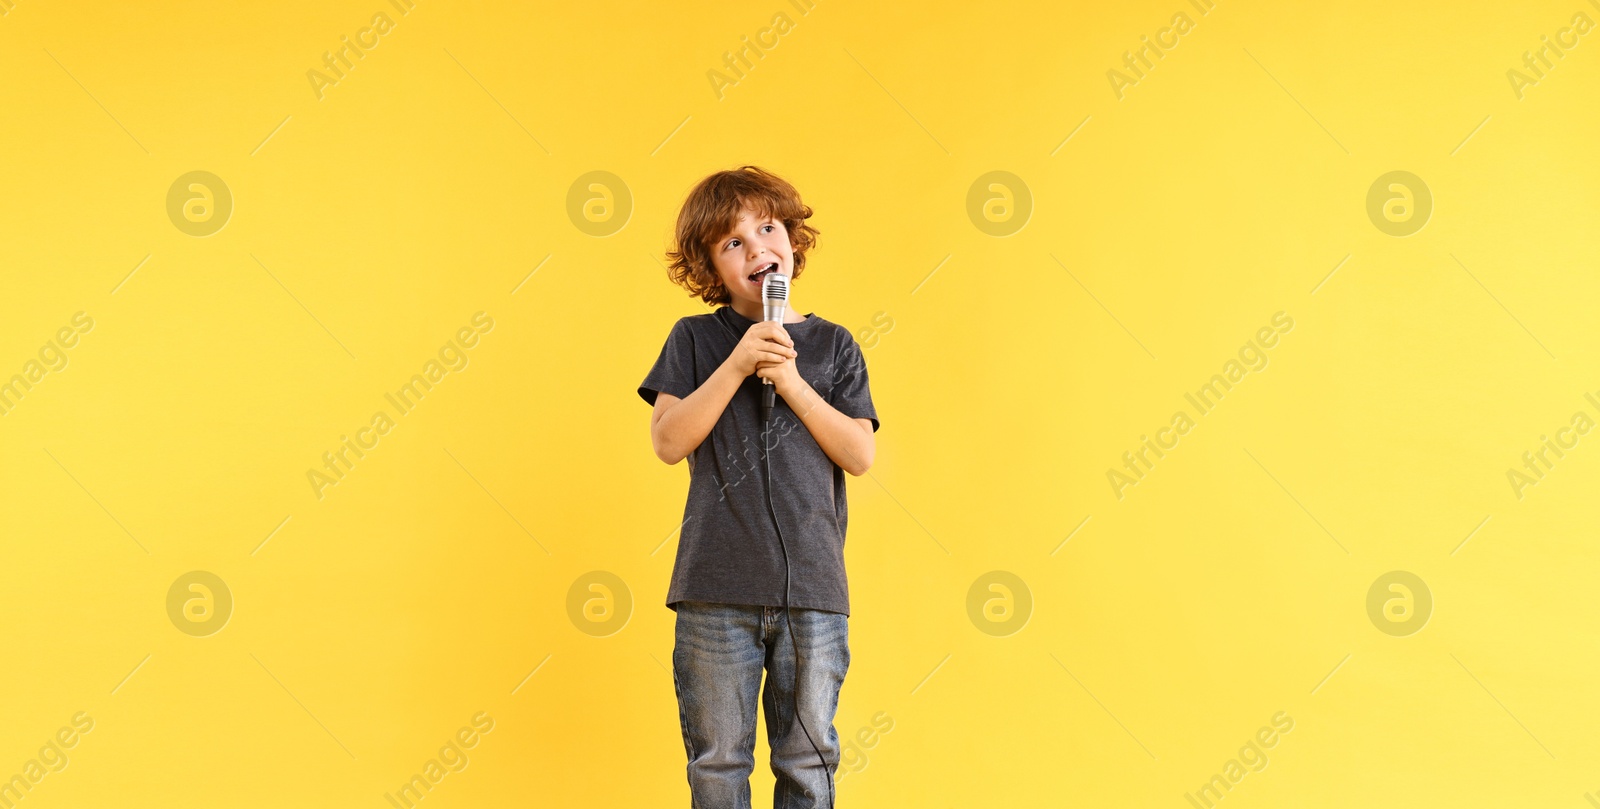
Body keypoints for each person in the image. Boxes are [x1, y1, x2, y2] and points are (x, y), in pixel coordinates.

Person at [638, 165, 880, 809]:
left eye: (766, 229)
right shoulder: (694, 339)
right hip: (715, 590)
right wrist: (740, 360)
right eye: (732, 243)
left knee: (808, 760)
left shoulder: (834, 346)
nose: (756, 249)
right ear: (711, 268)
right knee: (718, 763)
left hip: (813, 591)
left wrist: (791, 380)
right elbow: (668, 441)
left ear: (793, 239)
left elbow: (859, 454)